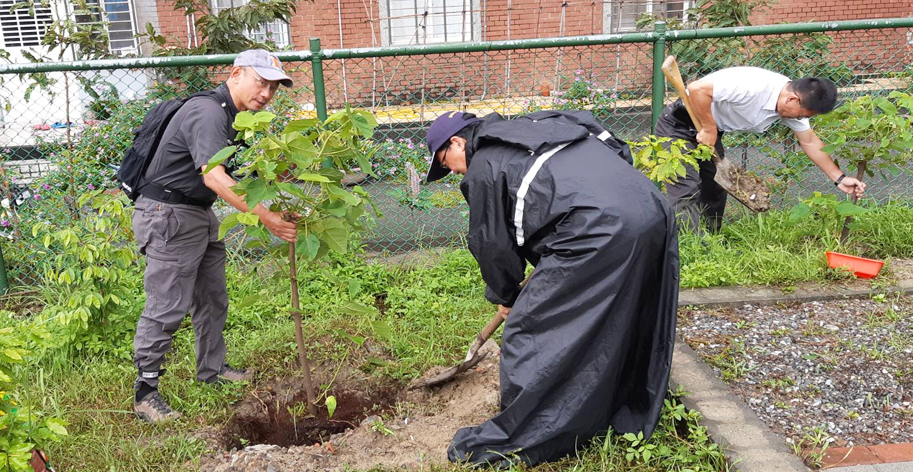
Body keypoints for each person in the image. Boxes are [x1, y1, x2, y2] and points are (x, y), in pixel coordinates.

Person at [424, 110, 679, 466]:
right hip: (649, 208)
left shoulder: (484, 166)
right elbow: (607, 139)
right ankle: (616, 406)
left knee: (530, 328)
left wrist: (507, 298)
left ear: (458, 142)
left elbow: (492, 244)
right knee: (622, 310)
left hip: (597, 230)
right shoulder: (536, 124)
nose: (452, 170)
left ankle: (530, 430)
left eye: (445, 161)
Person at [131, 49, 298, 423]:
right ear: (236, 73)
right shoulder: (208, 112)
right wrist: (268, 218)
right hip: (169, 215)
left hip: (199, 213)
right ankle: (145, 392)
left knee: (211, 297)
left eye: (274, 87)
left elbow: (232, 177)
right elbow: (215, 177)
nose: (267, 94)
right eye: (262, 82)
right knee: (167, 304)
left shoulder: (232, 117)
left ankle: (212, 370)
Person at [655, 66, 866, 233]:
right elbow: (697, 89)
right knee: (686, 189)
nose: (800, 119)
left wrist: (839, 178)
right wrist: (709, 128)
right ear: (792, 99)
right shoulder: (753, 85)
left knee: (716, 187)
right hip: (679, 126)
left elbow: (809, 141)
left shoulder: (788, 104)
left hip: (710, 133)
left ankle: (711, 240)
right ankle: (685, 248)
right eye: (802, 115)